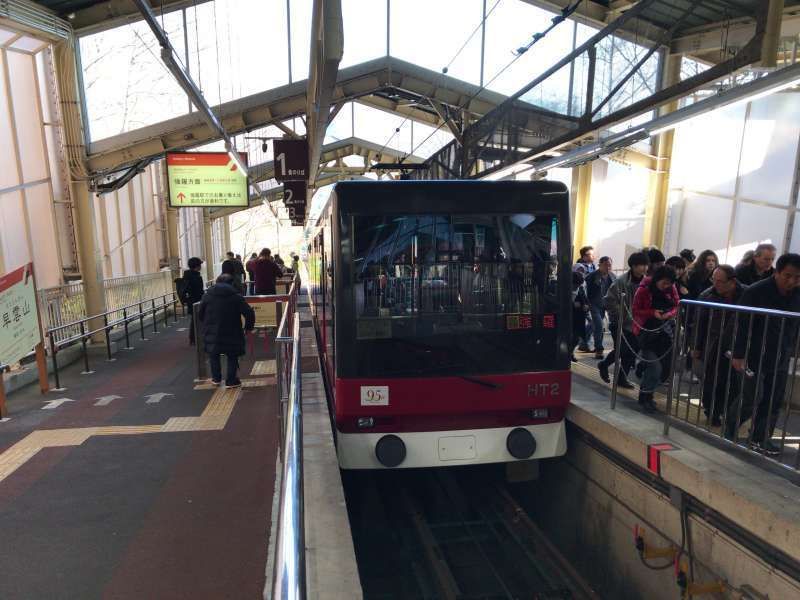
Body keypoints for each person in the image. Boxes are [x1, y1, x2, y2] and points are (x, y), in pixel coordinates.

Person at [728, 253, 800, 454]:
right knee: (752, 396)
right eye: (788, 276)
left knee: (774, 397)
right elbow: (741, 325)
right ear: (777, 272)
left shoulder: (797, 294)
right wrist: (739, 354)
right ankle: (731, 425)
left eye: (798, 277)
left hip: (781, 353)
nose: (792, 281)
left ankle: (760, 437)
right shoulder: (756, 292)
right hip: (754, 352)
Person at [691, 265, 745, 426]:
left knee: (734, 384)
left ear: (732, 282)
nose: (716, 284)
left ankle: (727, 413)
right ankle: (712, 412)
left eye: (720, 281)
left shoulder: (747, 294)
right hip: (714, 344)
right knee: (712, 381)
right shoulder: (707, 295)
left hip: (738, 346)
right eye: (713, 280)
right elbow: (699, 323)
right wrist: (696, 346)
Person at [632, 266, 680, 413]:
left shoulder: (671, 288)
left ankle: (648, 392)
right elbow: (635, 309)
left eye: (669, 284)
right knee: (655, 367)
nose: (666, 286)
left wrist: (669, 314)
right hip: (647, 333)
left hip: (666, 333)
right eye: (664, 283)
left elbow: (678, 304)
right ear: (657, 279)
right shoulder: (643, 289)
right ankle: (644, 396)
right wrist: (652, 312)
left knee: (665, 368)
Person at [599, 252, 649, 388]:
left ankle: (622, 377)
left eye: (645, 265)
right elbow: (609, 300)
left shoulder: (647, 282)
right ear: (633, 266)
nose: (644, 268)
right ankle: (604, 364)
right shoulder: (621, 281)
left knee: (632, 351)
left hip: (638, 323)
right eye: (640, 265)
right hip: (620, 323)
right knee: (622, 349)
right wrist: (622, 315)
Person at [198, 273, 256, 387]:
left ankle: (216, 379)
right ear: (231, 283)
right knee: (232, 354)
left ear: (217, 282)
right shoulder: (236, 296)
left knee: (213, 353)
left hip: (212, 330)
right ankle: (231, 380)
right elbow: (249, 313)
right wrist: (248, 327)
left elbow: (201, 313)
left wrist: (206, 324)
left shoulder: (207, 295)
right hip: (232, 330)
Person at [584, 256, 616, 358]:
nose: (608, 267)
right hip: (593, 304)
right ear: (600, 265)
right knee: (599, 324)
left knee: (593, 324)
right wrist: (585, 303)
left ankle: (583, 342)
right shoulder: (591, 276)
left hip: (605, 305)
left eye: (610, 265)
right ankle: (599, 349)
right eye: (606, 265)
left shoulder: (613, 277)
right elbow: (585, 291)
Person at [574, 246, 596, 351]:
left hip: (589, 299)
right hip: (581, 302)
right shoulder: (579, 267)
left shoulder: (593, 267)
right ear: (584, 256)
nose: (593, 256)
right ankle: (580, 342)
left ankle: (583, 342)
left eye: (593, 254)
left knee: (592, 323)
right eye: (590, 254)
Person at [181, 257, 205, 345]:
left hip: (190, 300)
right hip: (196, 300)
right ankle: (195, 338)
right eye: (200, 265)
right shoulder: (196, 277)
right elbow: (199, 291)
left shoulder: (187, 275)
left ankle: (193, 338)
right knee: (197, 320)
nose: (201, 266)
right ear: (197, 266)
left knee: (194, 320)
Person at [571, 270, 590, 363]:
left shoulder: (581, 289)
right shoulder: (562, 290)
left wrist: (586, 306)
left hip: (578, 318)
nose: (576, 287)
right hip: (567, 319)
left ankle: (570, 353)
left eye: (578, 285)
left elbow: (586, 301)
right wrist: (572, 304)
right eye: (575, 285)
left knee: (576, 338)